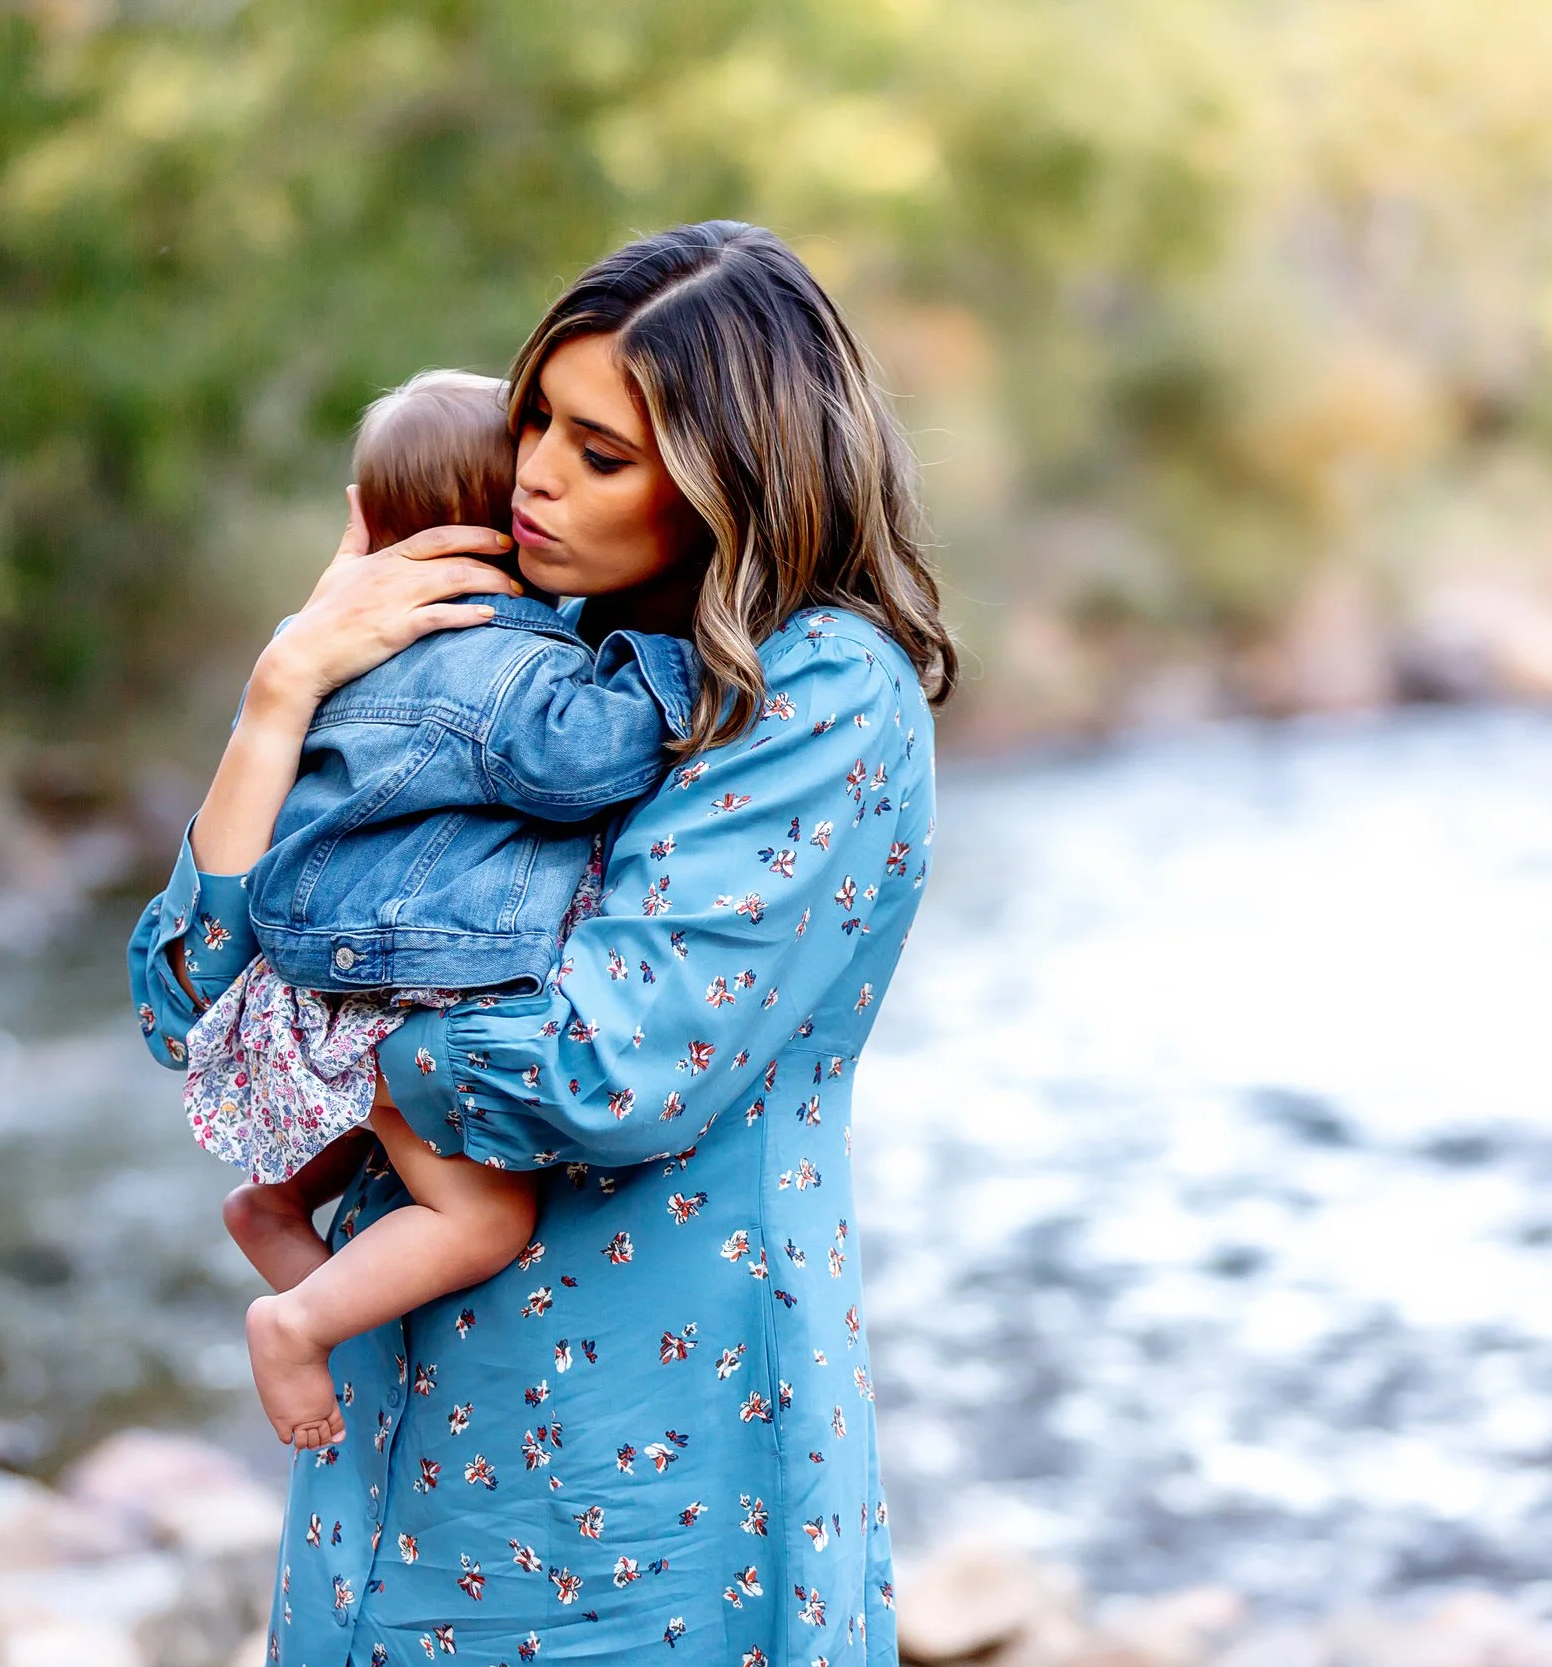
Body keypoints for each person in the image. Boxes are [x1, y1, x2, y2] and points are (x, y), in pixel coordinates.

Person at [128, 220, 955, 1667]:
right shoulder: (496, 654)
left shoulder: (818, 690)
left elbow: (599, 1068)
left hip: (650, 1466)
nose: (534, 477)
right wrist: (284, 689)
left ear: (730, 482)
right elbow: (186, 1002)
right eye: (532, 424)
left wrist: (312, 1024)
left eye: (600, 451)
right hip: (388, 1439)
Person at [169, 368, 698, 1451]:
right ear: (511, 517)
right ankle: (296, 1320)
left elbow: (178, 970)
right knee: (485, 1215)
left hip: (305, 975)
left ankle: (275, 1199)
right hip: (405, 977)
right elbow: (571, 765)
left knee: (369, 1107)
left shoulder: (337, 654)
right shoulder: (508, 664)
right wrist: (666, 670)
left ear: (369, 523)